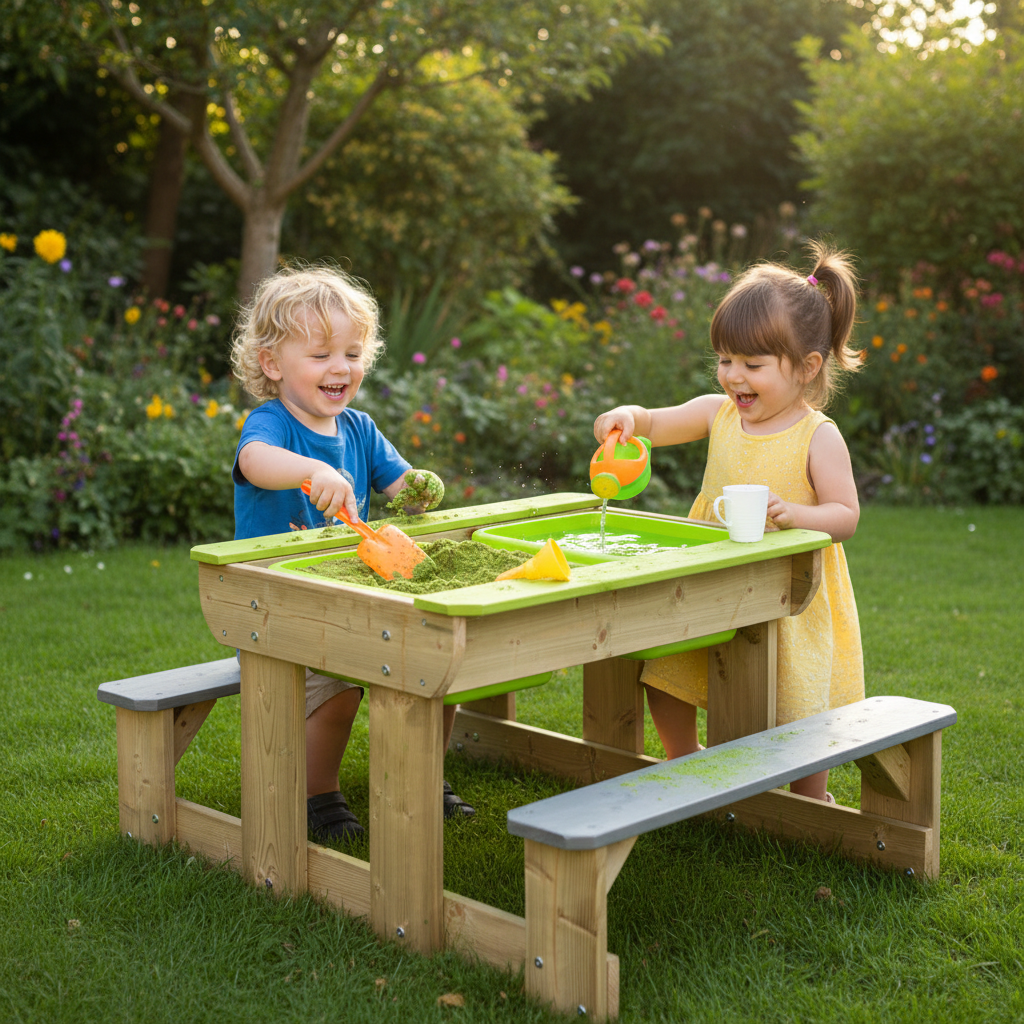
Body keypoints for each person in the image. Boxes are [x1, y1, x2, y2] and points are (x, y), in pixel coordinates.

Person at [593, 242, 864, 802]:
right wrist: (629, 419)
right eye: (725, 360)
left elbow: (845, 514)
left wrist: (796, 516)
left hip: (790, 591)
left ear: (808, 368)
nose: (733, 376)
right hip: (710, 577)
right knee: (667, 667)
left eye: (753, 365)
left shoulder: (817, 435)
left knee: (798, 697)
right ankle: (684, 759)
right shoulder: (718, 414)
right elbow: (656, 422)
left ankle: (811, 797)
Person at [230, 266, 474, 844]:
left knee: (435, 664)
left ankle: (424, 773)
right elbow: (252, 462)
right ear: (272, 364)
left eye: (352, 352)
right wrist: (312, 470)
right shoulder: (271, 427)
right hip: (278, 600)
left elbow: (401, 485)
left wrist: (419, 489)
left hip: (352, 591)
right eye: (320, 354)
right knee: (335, 692)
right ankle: (316, 794)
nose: (340, 367)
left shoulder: (360, 429)